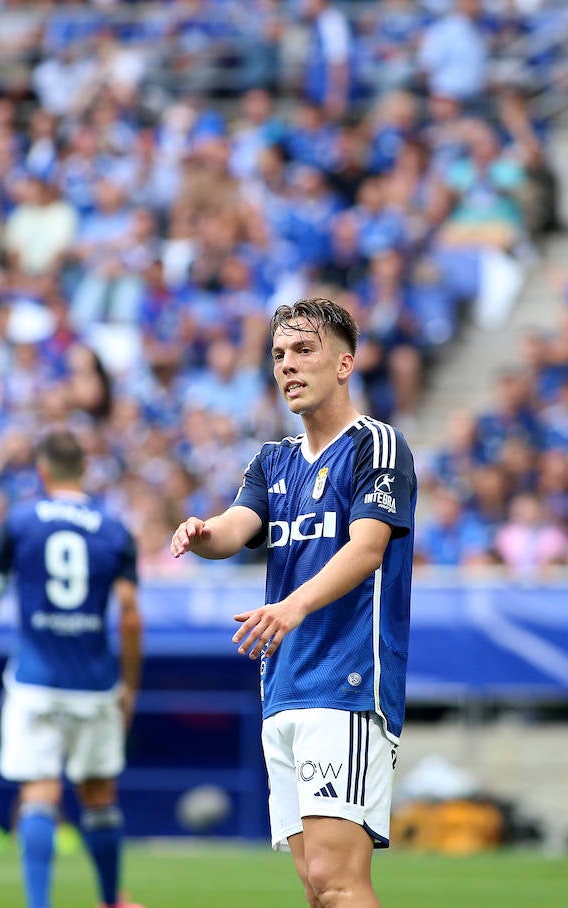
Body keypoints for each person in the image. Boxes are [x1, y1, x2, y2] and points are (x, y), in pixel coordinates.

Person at [170, 298, 417, 908]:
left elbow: (366, 550)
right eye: (279, 355)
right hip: (283, 687)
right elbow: (237, 526)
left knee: (339, 885)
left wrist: (292, 607)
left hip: (347, 684)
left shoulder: (376, 447)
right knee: (315, 889)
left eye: (304, 351)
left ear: (344, 363)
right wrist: (204, 536)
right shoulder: (272, 459)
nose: (288, 366)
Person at [0, 430, 143, 908]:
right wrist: (130, 685)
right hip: (95, 682)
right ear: (84, 470)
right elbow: (129, 616)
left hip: (36, 681)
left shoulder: (19, 521)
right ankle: (110, 899)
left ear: (42, 472)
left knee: (39, 794)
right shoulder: (113, 528)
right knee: (99, 794)